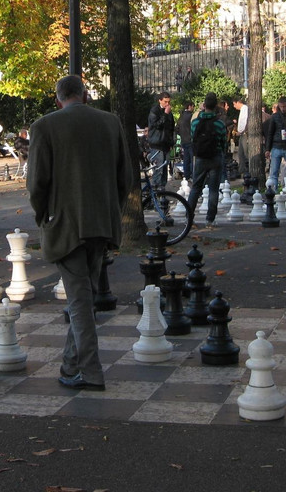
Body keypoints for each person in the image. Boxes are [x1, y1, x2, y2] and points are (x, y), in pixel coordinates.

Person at [28, 76, 132, 391]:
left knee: (79, 301)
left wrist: (42, 217)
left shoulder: (44, 126)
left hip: (67, 223)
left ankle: (90, 371)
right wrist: (111, 210)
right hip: (101, 223)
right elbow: (125, 178)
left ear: (58, 99)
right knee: (82, 296)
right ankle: (71, 363)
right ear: (85, 96)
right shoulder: (111, 122)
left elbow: (36, 184)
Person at [185, 92, 228, 226]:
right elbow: (223, 142)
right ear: (215, 106)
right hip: (215, 157)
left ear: (204, 105)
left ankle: (189, 217)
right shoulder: (220, 124)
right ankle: (210, 219)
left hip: (200, 158)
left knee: (196, 187)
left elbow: (193, 138)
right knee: (213, 189)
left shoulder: (195, 122)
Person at [146, 92, 175, 191]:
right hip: (157, 144)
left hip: (166, 144)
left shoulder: (169, 112)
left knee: (165, 167)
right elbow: (157, 125)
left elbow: (171, 128)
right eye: (165, 101)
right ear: (160, 100)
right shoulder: (155, 111)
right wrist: (166, 114)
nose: (167, 104)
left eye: (169, 102)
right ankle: (154, 189)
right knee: (158, 168)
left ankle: (162, 189)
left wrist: (171, 142)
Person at [176, 99, 195, 181]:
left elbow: (176, 129)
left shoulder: (181, 117)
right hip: (191, 140)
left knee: (186, 159)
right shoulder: (191, 116)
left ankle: (186, 176)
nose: (193, 108)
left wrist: (182, 134)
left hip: (183, 140)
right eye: (193, 106)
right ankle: (192, 175)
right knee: (192, 159)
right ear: (190, 106)